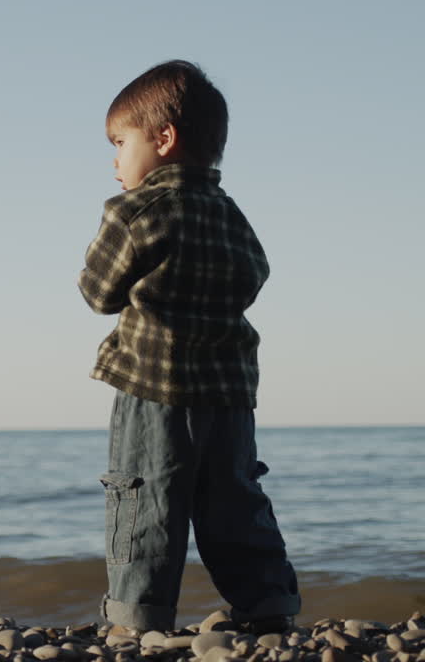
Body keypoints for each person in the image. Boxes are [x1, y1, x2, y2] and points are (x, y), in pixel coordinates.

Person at [78, 60, 301, 632]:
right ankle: (267, 602)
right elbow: (256, 275)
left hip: (153, 388)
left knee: (142, 499)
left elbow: (99, 292)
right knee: (235, 499)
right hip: (229, 390)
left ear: (163, 138)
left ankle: (138, 615)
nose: (115, 159)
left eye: (121, 143)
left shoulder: (133, 211)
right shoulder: (233, 216)